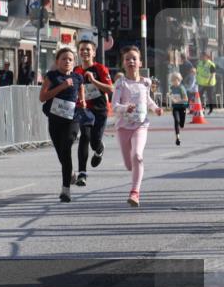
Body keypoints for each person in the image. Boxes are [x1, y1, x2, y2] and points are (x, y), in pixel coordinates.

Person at [111, 46, 163, 207]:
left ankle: (135, 192)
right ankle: (133, 171)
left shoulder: (145, 82)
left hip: (140, 125)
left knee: (138, 156)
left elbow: (148, 100)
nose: (131, 61)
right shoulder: (121, 83)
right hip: (123, 127)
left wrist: (155, 108)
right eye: (127, 59)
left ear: (140, 63)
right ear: (123, 64)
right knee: (129, 164)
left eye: (134, 58)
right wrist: (126, 108)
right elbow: (114, 105)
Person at [39, 47, 86, 203]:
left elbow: (81, 92)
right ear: (57, 61)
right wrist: (62, 86)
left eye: (70, 59)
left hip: (72, 119)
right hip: (55, 120)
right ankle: (70, 172)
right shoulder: (52, 76)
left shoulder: (78, 77)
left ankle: (65, 190)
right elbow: (42, 97)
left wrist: (83, 101)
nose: (67, 62)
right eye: (64, 59)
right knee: (61, 153)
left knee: (66, 148)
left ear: (74, 62)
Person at [73, 39, 113, 186]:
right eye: (82, 49)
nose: (84, 52)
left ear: (94, 53)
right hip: (84, 109)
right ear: (78, 52)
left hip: (100, 110)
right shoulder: (76, 71)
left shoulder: (100, 69)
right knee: (85, 136)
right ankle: (82, 173)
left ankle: (99, 149)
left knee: (95, 141)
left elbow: (110, 89)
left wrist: (93, 80)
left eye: (88, 49)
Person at [168, 72, 188, 146]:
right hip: (175, 107)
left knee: (181, 123)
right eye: (173, 80)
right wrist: (170, 97)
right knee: (176, 121)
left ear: (179, 80)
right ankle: (177, 138)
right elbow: (170, 95)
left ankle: (181, 124)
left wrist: (178, 101)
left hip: (182, 107)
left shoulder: (181, 88)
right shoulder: (172, 88)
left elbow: (186, 99)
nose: (174, 82)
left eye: (176, 80)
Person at [196, 50, 216, 115]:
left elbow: (213, 73)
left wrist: (210, 81)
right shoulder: (200, 63)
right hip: (201, 83)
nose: (201, 57)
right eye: (201, 56)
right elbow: (198, 72)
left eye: (202, 56)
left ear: (207, 57)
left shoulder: (211, 64)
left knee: (210, 97)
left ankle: (211, 109)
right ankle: (202, 108)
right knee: (200, 96)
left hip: (209, 84)